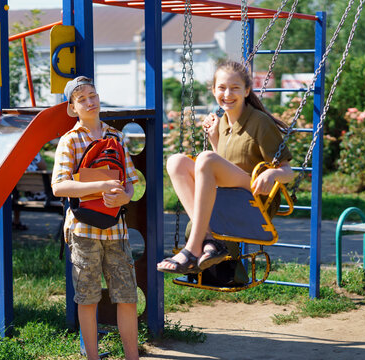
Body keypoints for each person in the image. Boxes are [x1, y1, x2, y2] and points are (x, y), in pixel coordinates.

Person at [157, 60, 295, 274]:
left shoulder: (260, 122)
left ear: (247, 90)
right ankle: (212, 240)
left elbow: (289, 172)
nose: (227, 94)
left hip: (255, 197)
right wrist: (215, 139)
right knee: (175, 162)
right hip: (229, 195)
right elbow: (221, 168)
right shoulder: (221, 123)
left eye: (235, 88)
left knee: (206, 158)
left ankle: (192, 249)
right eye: (221, 88)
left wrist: (273, 173)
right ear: (213, 91)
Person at [51, 76, 139, 360]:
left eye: (93, 95)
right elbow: (59, 186)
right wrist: (100, 186)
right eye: (82, 99)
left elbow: (131, 184)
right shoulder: (70, 140)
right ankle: (92, 356)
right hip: (83, 230)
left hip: (116, 229)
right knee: (87, 298)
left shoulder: (117, 137)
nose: (90, 102)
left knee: (127, 296)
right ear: (73, 107)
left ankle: (132, 356)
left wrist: (124, 197)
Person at [11, 152, 48, 230]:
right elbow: (44, 167)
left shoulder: (13, 158)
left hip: (24, 197)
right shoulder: (33, 153)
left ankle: (16, 221)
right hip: (45, 197)